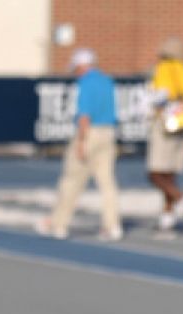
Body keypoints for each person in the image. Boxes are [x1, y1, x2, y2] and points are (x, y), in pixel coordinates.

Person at [35, 48, 122, 242]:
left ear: (82, 65)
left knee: (71, 181)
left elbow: (84, 115)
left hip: (89, 132)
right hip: (108, 133)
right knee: (107, 183)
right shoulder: (107, 81)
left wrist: (81, 142)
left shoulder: (86, 83)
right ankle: (113, 225)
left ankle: (59, 224)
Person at [146, 37, 183, 236]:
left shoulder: (165, 68)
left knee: (154, 174)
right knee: (169, 174)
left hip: (168, 126)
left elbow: (161, 96)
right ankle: (167, 217)